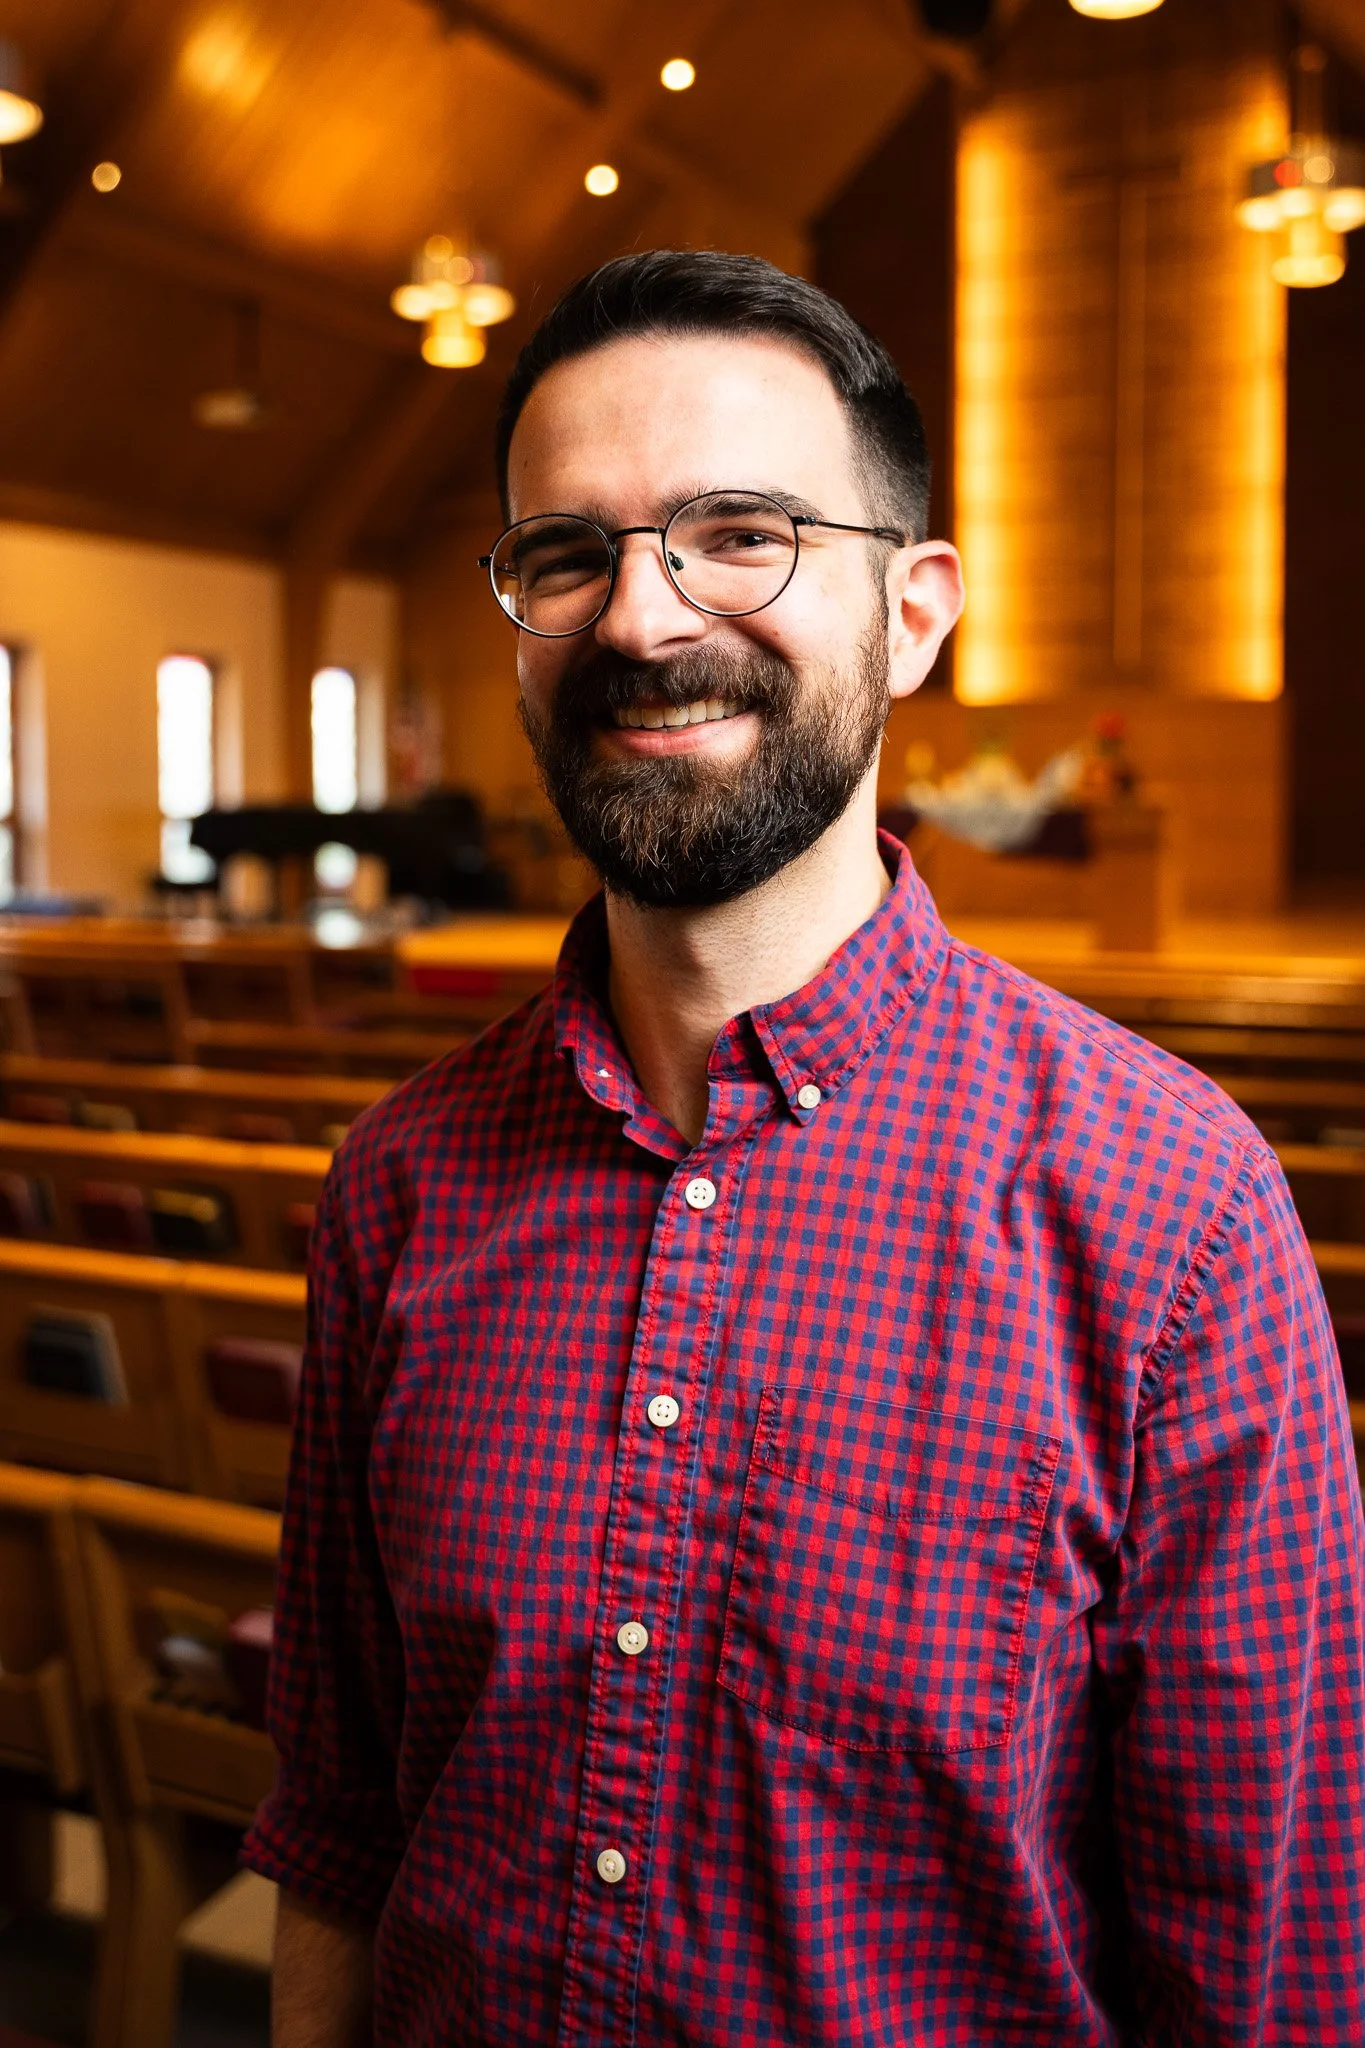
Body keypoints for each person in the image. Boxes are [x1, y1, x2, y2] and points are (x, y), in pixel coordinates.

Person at [245, 250, 1365, 2047]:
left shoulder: (1179, 1221)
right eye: (567, 555)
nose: (642, 621)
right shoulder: (398, 1181)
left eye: (740, 534)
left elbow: (1264, 1975)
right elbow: (341, 1832)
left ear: (915, 613)